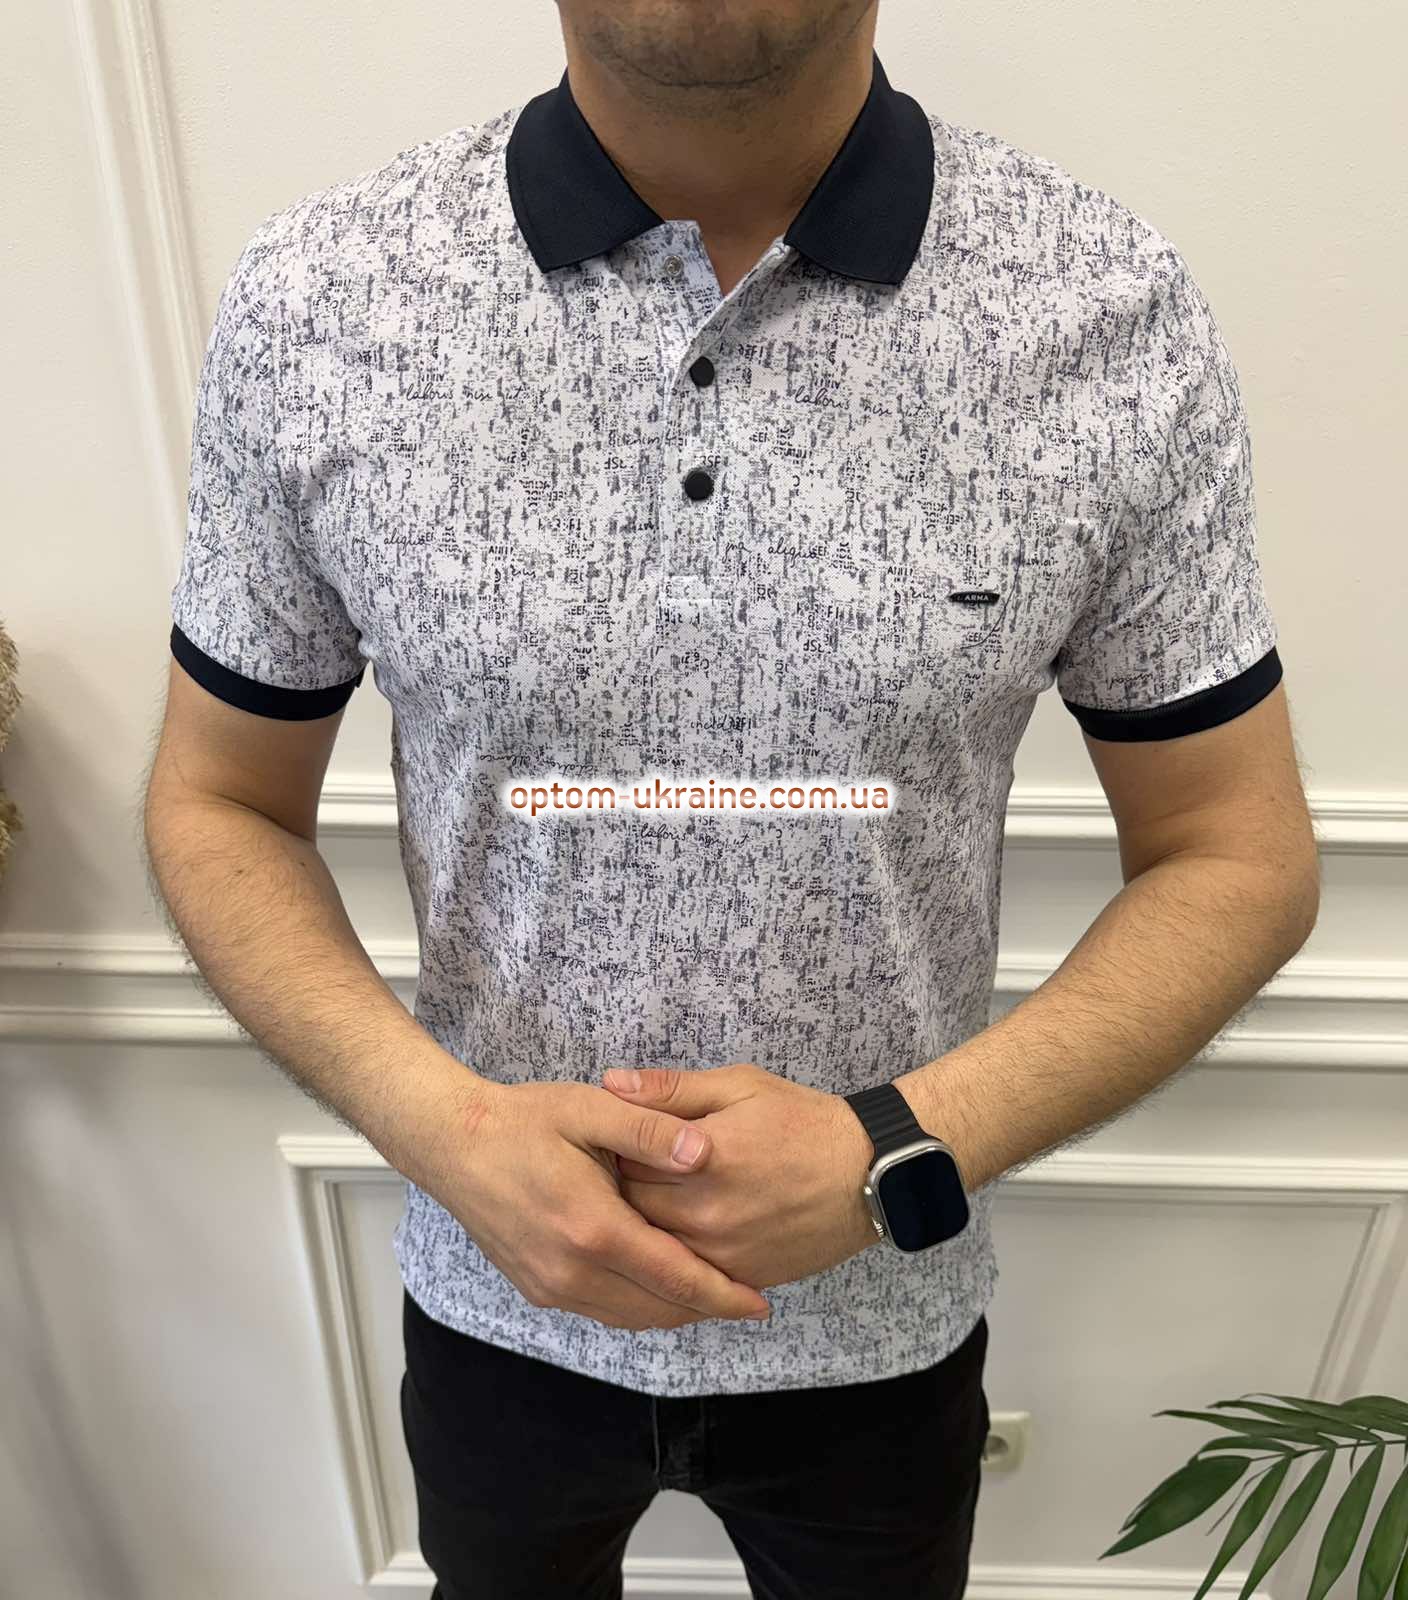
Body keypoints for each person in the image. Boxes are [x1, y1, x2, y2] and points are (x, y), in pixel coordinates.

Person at [142, 2, 1321, 1596]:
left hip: (886, 1315)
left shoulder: (1106, 313)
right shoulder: (322, 301)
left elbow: (1234, 853)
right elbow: (220, 799)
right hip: (493, 1299)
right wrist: (449, 1132)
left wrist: (896, 1150)